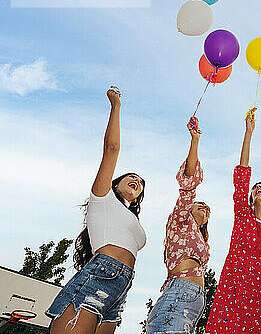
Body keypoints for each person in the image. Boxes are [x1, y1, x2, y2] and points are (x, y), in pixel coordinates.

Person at [46, 86, 146, 334]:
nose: (137, 180)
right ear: (115, 184)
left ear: (138, 199)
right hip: (101, 272)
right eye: (130, 177)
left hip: (122, 285)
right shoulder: (102, 199)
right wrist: (115, 107)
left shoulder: (133, 220)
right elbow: (111, 149)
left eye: (141, 183)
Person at [206, 108, 261, 334]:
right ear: (252, 199)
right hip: (232, 290)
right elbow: (242, 176)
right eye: (256, 188)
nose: (258, 188)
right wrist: (248, 133)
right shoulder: (243, 215)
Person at [146, 118, 211, 334]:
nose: (205, 207)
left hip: (194, 298)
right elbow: (189, 183)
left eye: (208, 209)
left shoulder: (201, 241)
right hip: (180, 289)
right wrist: (195, 141)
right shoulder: (180, 221)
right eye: (200, 204)